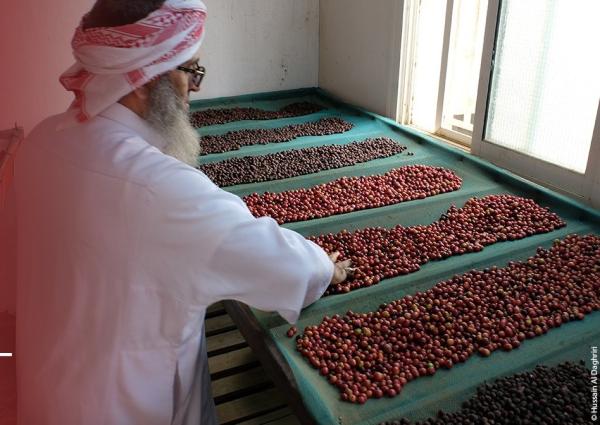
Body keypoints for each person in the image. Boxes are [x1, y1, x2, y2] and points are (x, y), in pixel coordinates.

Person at [14, 1, 351, 424]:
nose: (195, 88)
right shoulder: (162, 190)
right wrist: (325, 266)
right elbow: (287, 268)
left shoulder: (41, 141)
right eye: (189, 71)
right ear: (141, 80)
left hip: (41, 395)